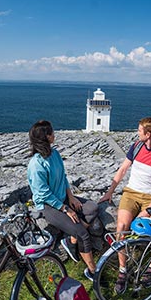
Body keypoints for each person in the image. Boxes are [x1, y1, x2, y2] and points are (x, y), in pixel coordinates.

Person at [99, 116, 151, 293]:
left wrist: (147, 211)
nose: (137, 133)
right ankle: (123, 270)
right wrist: (110, 191)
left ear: (148, 134)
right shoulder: (136, 146)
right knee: (121, 227)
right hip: (131, 193)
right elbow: (123, 169)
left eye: (140, 130)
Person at [27, 120, 99, 281]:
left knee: (93, 208)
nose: (54, 134)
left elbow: (63, 178)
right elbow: (43, 194)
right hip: (48, 205)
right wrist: (65, 209)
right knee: (82, 233)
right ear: (46, 137)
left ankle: (70, 240)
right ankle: (93, 271)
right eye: (52, 132)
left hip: (64, 198)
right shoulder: (36, 164)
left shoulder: (55, 154)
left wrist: (71, 197)